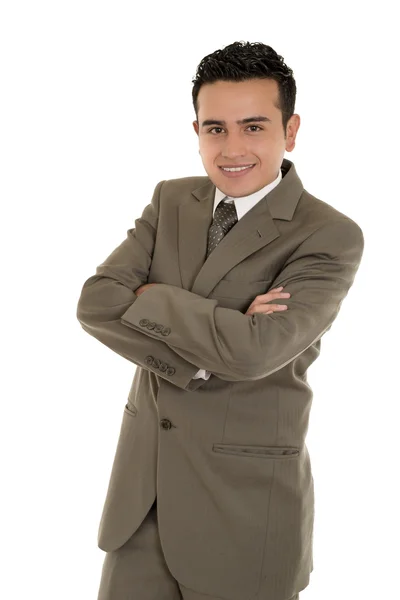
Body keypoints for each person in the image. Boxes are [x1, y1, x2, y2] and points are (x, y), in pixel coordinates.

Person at [76, 41, 364, 600]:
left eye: (253, 127)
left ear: (292, 129)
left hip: (244, 512)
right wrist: (219, 337)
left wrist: (152, 296)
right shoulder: (171, 200)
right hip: (144, 499)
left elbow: (258, 351)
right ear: (197, 130)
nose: (232, 148)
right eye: (215, 129)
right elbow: (96, 302)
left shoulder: (328, 233)